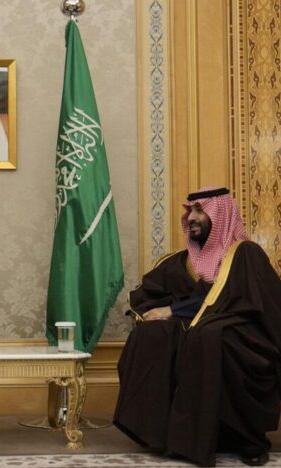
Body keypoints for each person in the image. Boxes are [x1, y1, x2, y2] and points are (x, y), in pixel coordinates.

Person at [113, 187, 281, 467]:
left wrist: (174, 311)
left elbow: (236, 299)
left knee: (213, 336)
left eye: (200, 210)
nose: (191, 217)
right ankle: (171, 435)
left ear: (220, 214)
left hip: (242, 332)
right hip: (200, 329)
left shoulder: (245, 254)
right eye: (190, 210)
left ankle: (247, 438)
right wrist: (163, 313)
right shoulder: (184, 261)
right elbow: (159, 293)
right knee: (153, 333)